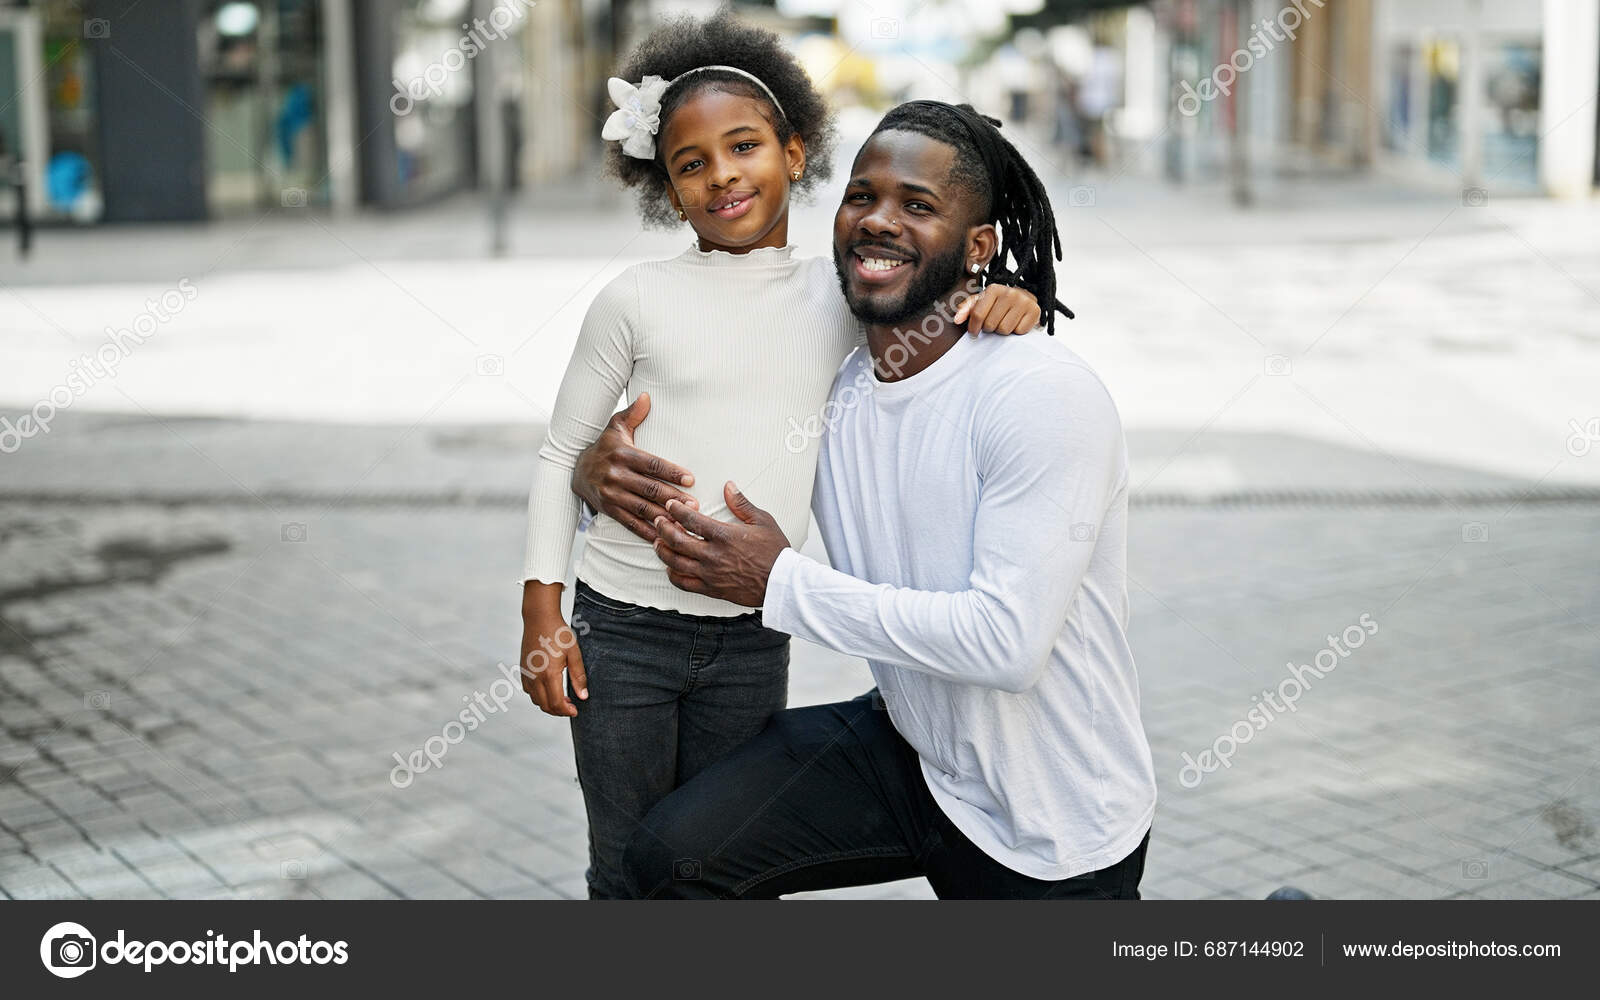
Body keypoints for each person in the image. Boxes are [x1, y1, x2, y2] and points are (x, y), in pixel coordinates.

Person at [518, 11, 1043, 900]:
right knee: (624, 862)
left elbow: (928, 291)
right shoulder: (634, 300)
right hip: (625, 630)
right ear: (666, 187)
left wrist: (1006, 298)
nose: (722, 175)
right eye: (692, 164)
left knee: (719, 865)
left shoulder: (838, 292)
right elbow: (560, 453)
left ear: (794, 154)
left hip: (753, 634)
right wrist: (543, 610)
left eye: (744, 146)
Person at [618, 101, 1156, 899]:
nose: (878, 221)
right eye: (862, 196)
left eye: (918, 205)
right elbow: (693, 420)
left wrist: (781, 585)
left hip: (1055, 824)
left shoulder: (1039, 395)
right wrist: (600, 470)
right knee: (674, 854)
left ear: (980, 248)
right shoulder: (834, 386)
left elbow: (1007, 644)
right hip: (916, 754)